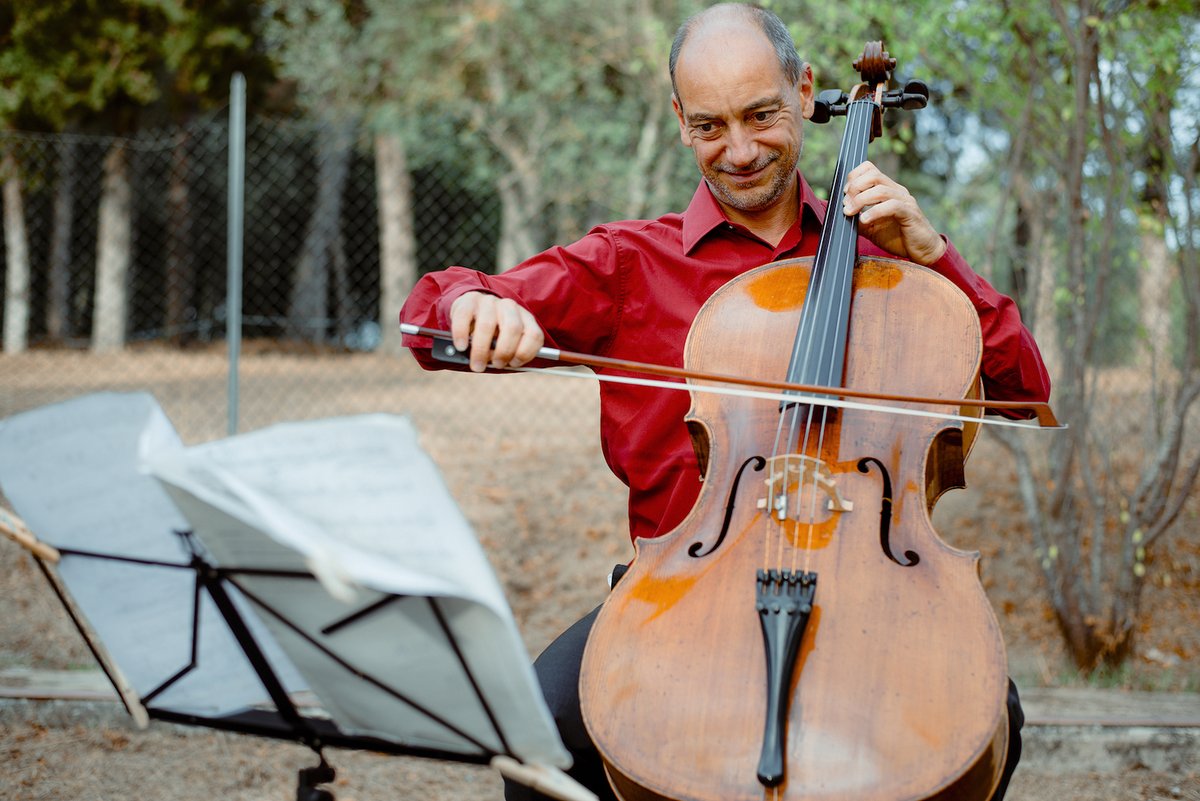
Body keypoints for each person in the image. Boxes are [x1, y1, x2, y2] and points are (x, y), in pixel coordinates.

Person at [401, 4, 1050, 800]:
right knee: (535, 740)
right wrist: (474, 305)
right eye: (710, 125)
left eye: (762, 115)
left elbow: (1025, 392)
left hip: (874, 589)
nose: (739, 151)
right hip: (679, 595)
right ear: (679, 120)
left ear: (806, 91)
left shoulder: (893, 270)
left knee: (988, 717)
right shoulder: (627, 264)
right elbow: (431, 314)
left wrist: (936, 256)